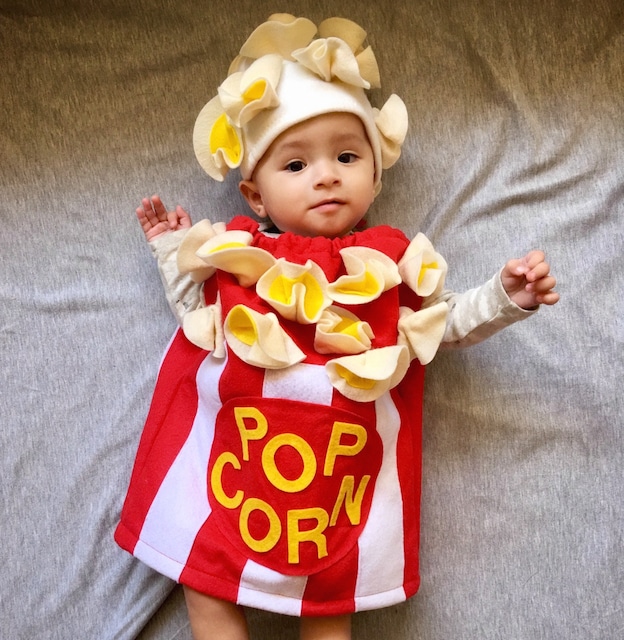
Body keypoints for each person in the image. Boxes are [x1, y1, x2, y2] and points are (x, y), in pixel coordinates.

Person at [115, 15, 559, 640]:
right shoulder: (238, 252)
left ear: (374, 176)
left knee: (332, 590)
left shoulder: (389, 265)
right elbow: (196, 315)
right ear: (256, 196)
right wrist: (172, 250)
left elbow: (444, 325)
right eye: (296, 164)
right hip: (232, 456)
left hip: (338, 474)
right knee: (204, 574)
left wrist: (505, 297)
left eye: (347, 157)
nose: (326, 175)